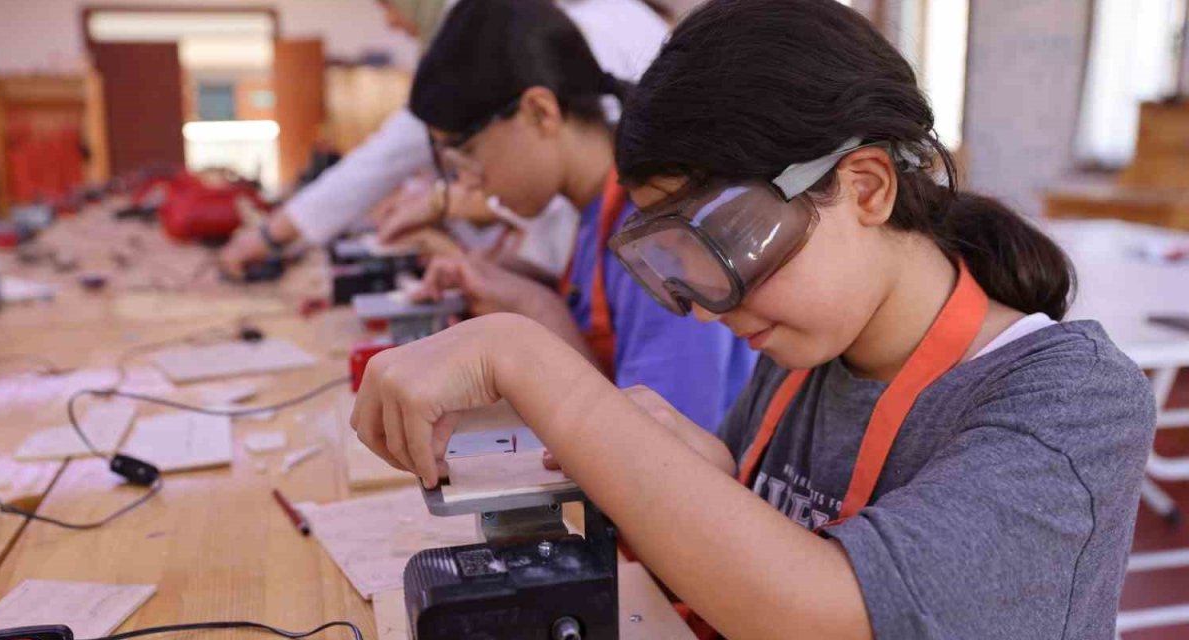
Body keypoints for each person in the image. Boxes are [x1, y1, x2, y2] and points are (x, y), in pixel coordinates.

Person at [348, 1, 1158, 638]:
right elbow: (753, 547)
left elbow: (824, 613)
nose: (712, 303)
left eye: (728, 243)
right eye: (675, 261)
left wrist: (521, 354)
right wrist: (708, 472)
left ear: (867, 186)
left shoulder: (1074, 402)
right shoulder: (807, 349)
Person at [403, 0, 754, 432]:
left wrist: (535, 305)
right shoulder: (594, 213)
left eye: (468, 155)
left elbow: (659, 447)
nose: (469, 184)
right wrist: (522, 279)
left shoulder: (658, 230)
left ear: (540, 112)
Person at [217, 0, 668, 279]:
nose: (392, 23)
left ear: (539, 111)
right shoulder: (600, 218)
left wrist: (271, 236)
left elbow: (660, 418)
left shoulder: (647, 242)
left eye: (388, 6)